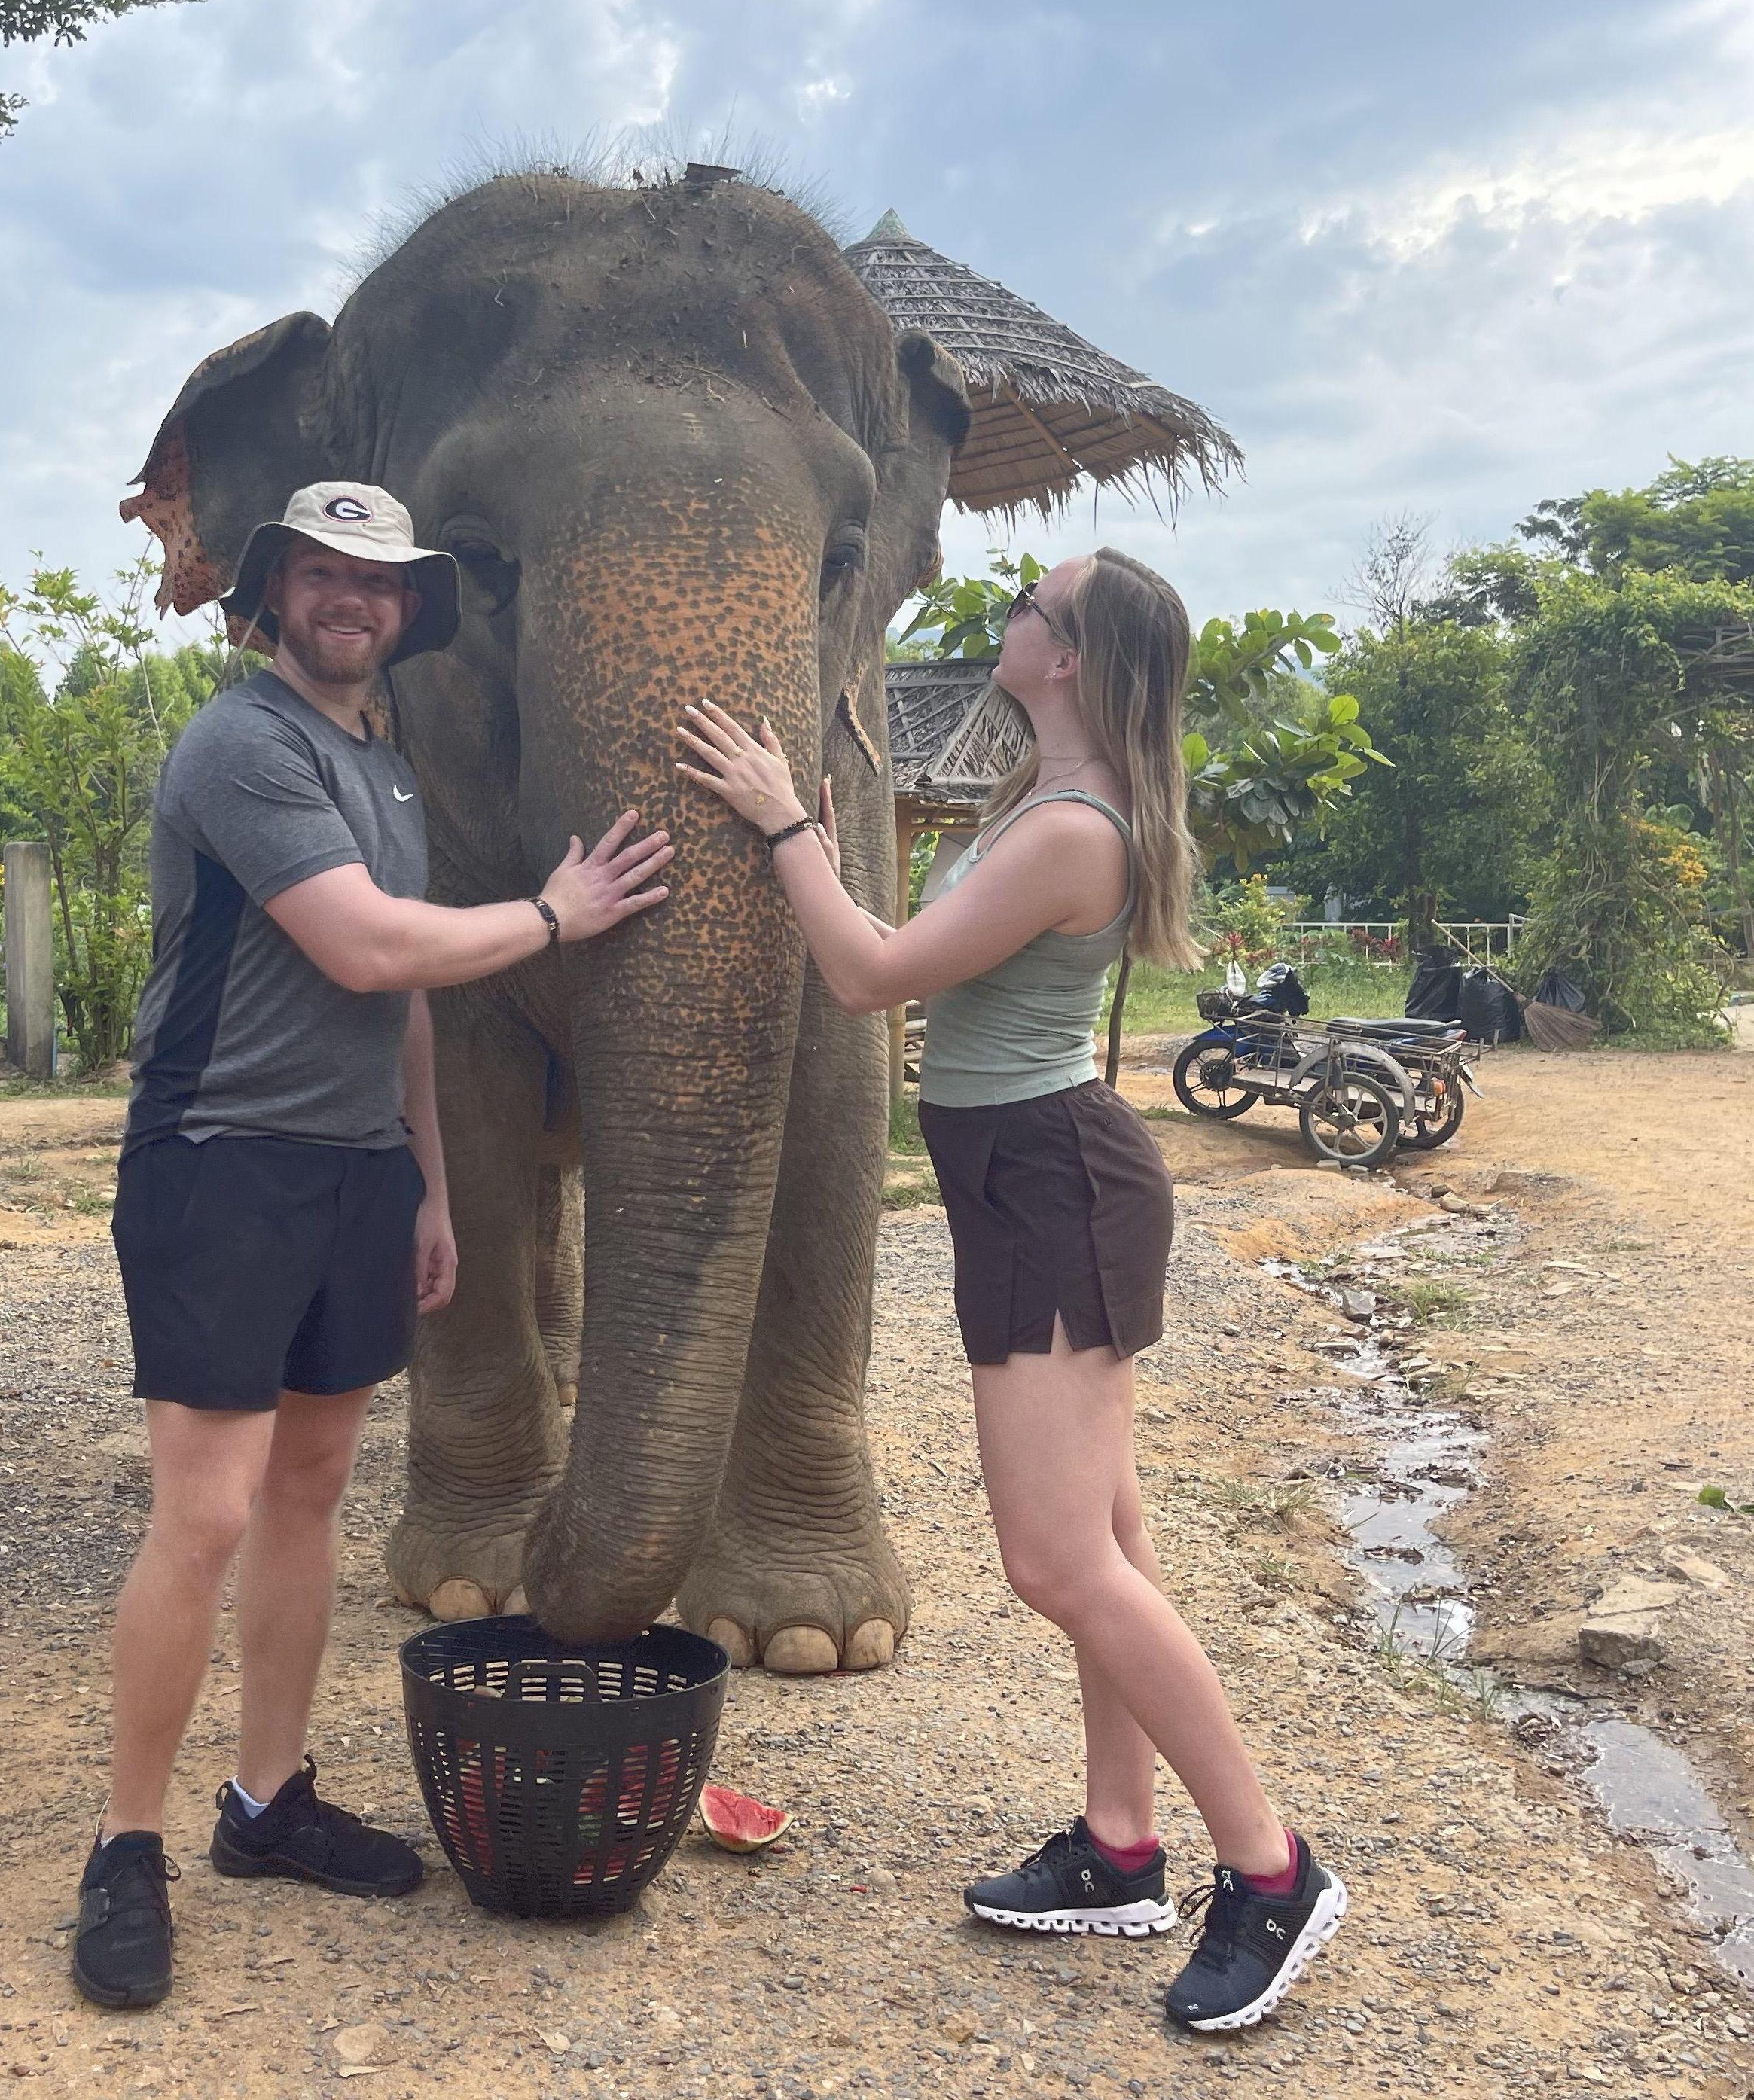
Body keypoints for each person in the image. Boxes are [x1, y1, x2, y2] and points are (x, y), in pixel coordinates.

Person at [674, 547, 1347, 2034]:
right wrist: (822, 840)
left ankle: (1275, 1870)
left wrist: (785, 822)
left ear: (1076, 658)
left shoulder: (1072, 832)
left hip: (1051, 1185)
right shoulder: (1031, 810)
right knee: (1105, 1539)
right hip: (1026, 1184)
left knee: (1056, 1562)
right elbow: (910, 950)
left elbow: (869, 980)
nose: (1009, 619)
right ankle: (1121, 1849)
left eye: (1032, 609)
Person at [74, 481, 672, 2010]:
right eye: (324, 570)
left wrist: (428, 1185)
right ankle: (125, 1848)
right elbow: (369, 943)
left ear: (406, 611)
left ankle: (266, 1802)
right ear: (276, 591)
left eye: (380, 578)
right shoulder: (243, 746)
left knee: (312, 1493)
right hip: (219, 1164)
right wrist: (555, 913)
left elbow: (401, 1004)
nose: (353, 596)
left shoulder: (380, 772)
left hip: (349, 1176)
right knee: (203, 1516)